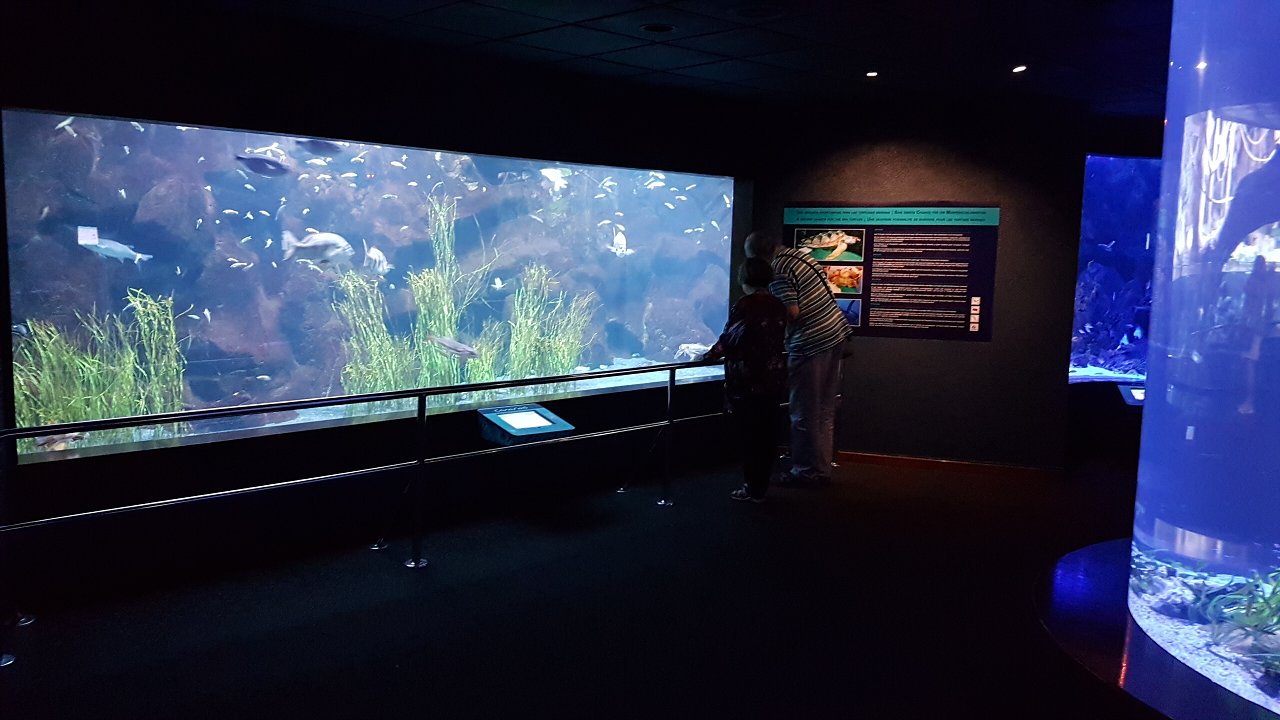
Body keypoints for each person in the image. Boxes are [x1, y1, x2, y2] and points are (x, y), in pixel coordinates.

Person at [745, 230, 852, 484]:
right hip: (835, 334)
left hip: (810, 342)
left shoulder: (778, 270)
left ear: (759, 256)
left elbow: (792, 312)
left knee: (803, 410)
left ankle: (806, 470)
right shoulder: (801, 256)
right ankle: (821, 469)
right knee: (824, 409)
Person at [702, 257, 788, 502]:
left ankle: (751, 487)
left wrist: (708, 356)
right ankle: (761, 487)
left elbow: (730, 338)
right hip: (774, 378)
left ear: (744, 279)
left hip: (748, 380)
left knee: (750, 435)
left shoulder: (745, 305)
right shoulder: (778, 304)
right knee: (767, 434)